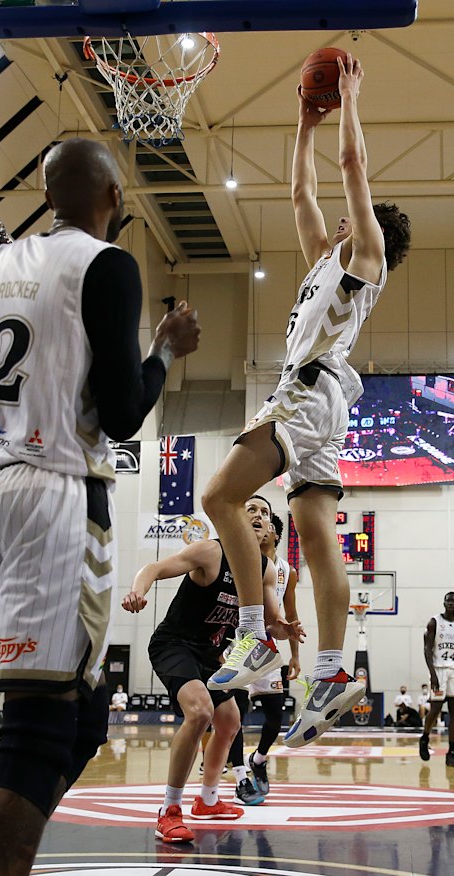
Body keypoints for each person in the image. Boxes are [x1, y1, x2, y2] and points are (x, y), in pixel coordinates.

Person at [0, 137, 200, 876]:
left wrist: (10, 417)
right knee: (40, 730)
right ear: (114, 200)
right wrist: (166, 350)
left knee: (82, 719)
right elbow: (121, 412)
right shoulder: (106, 263)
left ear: (48, 196)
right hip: (54, 497)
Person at [200, 53, 411, 749]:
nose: (341, 219)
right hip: (318, 402)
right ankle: (325, 672)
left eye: (352, 216)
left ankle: (257, 638)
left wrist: (349, 99)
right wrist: (301, 123)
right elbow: (301, 195)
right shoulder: (327, 257)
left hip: (309, 391)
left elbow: (352, 173)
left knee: (218, 499)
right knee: (318, 541)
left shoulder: (366, 255)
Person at [122, 494, 304, 842]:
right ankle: (169, 811)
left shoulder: (265, 571)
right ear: (234, 518)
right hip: (174, 644)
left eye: (264, 513)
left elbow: (272, 622)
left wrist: (287, 630)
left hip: (209, 654)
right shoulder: (211, 552)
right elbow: (156, 568)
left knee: (230, 721)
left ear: (269, 529)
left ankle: (207, 800)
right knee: (201, 712)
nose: (258, 516)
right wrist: (137, 591)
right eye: (250, 508)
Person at [246, 512, 300, 795]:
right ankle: (237, 773)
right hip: (235, 641)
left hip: (267, 642)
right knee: (232, 713)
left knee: (275, 716)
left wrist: (295, 655)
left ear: (276, 534)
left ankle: (258, 759)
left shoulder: (286, 570)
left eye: (266, 524)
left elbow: (290, 615)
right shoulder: (239, 557)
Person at [419, 592, 454, 767]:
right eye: (448, 601)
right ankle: (425, 738)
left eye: (453, 601)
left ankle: (452, 751)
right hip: (439, 670)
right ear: (444, 603)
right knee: (436, 708)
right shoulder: (435, 622)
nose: (451, 604)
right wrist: (432, 673)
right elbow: (427, 650)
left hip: (453, 670)